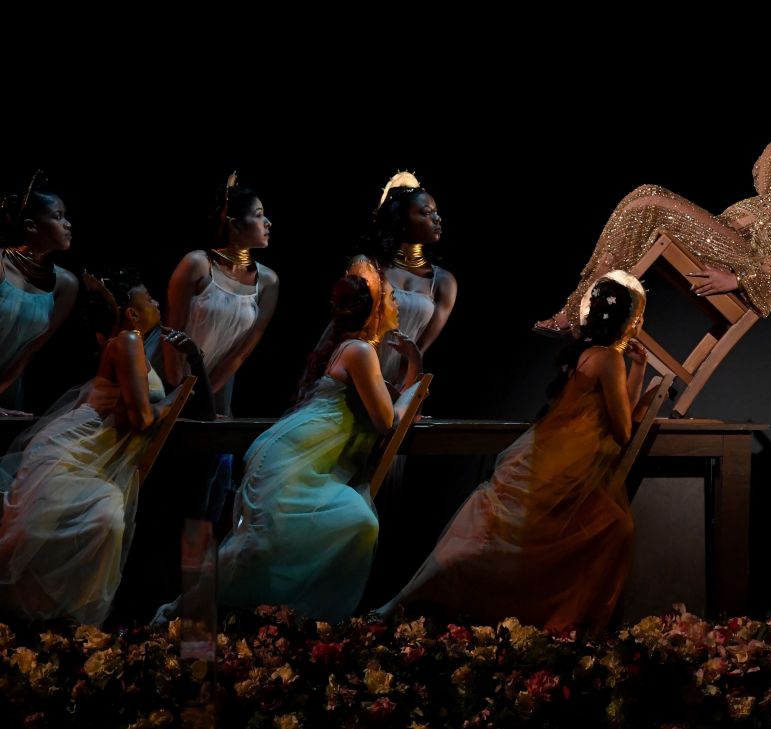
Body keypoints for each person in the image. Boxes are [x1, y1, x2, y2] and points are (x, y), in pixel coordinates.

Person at [381, 271, 648, 631]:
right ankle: (567, 621)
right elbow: (623, 429)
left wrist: (639, 369)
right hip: (567, 468)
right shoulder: (607, 359)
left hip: (544, 456)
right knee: (614, 530)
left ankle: (405, 600)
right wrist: (639, 373)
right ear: (626, 321)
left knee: (495, 540)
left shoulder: (586, 354)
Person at [534, 102, 771, 334]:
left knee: (647, 199)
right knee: (643, 204)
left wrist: (741, 279)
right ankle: (595, 312)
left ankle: (582, 310)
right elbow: (766, 179)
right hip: (726, 232)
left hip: (742, 256)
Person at [213, 268, 424, 622]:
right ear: (373, 309)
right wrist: (416, 372)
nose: (396, 302)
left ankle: (291, 614)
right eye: (390, 297)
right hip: (291, 458)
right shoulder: (358, 351)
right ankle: (203, 611)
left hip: (307, 460)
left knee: (350, 524)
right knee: (262, 546)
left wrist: (413, 370)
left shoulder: (357, 351)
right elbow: (387, 421)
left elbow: (390, 409)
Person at [0, 268, 203, 624]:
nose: (157, 302)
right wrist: (173, 401)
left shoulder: (134, 344)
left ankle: (69, 620)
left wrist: (190, 370)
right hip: (80, 448)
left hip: (97, 454)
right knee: (40, 531)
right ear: (132, 312)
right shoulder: (127, 341)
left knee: (103, 520)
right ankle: (46, 618)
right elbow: (140, 417)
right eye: (149, 298)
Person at [164, 173, 278, 415]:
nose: (267, 222)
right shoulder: (197, 264)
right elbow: (172, 332)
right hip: (167, 375)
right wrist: (179, 389)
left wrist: (203, 393)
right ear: (235, 225)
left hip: (213, 385)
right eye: (258, 215)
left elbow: (241, 352)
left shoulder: (268, 281)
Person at [350, 171, 456, 388]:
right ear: (401, 219)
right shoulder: (368, 266)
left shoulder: (443, 282)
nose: (437, 218)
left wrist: (401, 385)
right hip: (353, 373)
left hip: (396, 382)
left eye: (436, 212)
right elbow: (347, 330)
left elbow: (418, 350)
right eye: (426, 213)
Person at [0, 172, 79, 414]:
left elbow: (30, 351)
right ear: (31, 226)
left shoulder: (65, 284)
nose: (68, 224)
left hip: (6, 391)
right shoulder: (1, 264)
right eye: (58, 217)